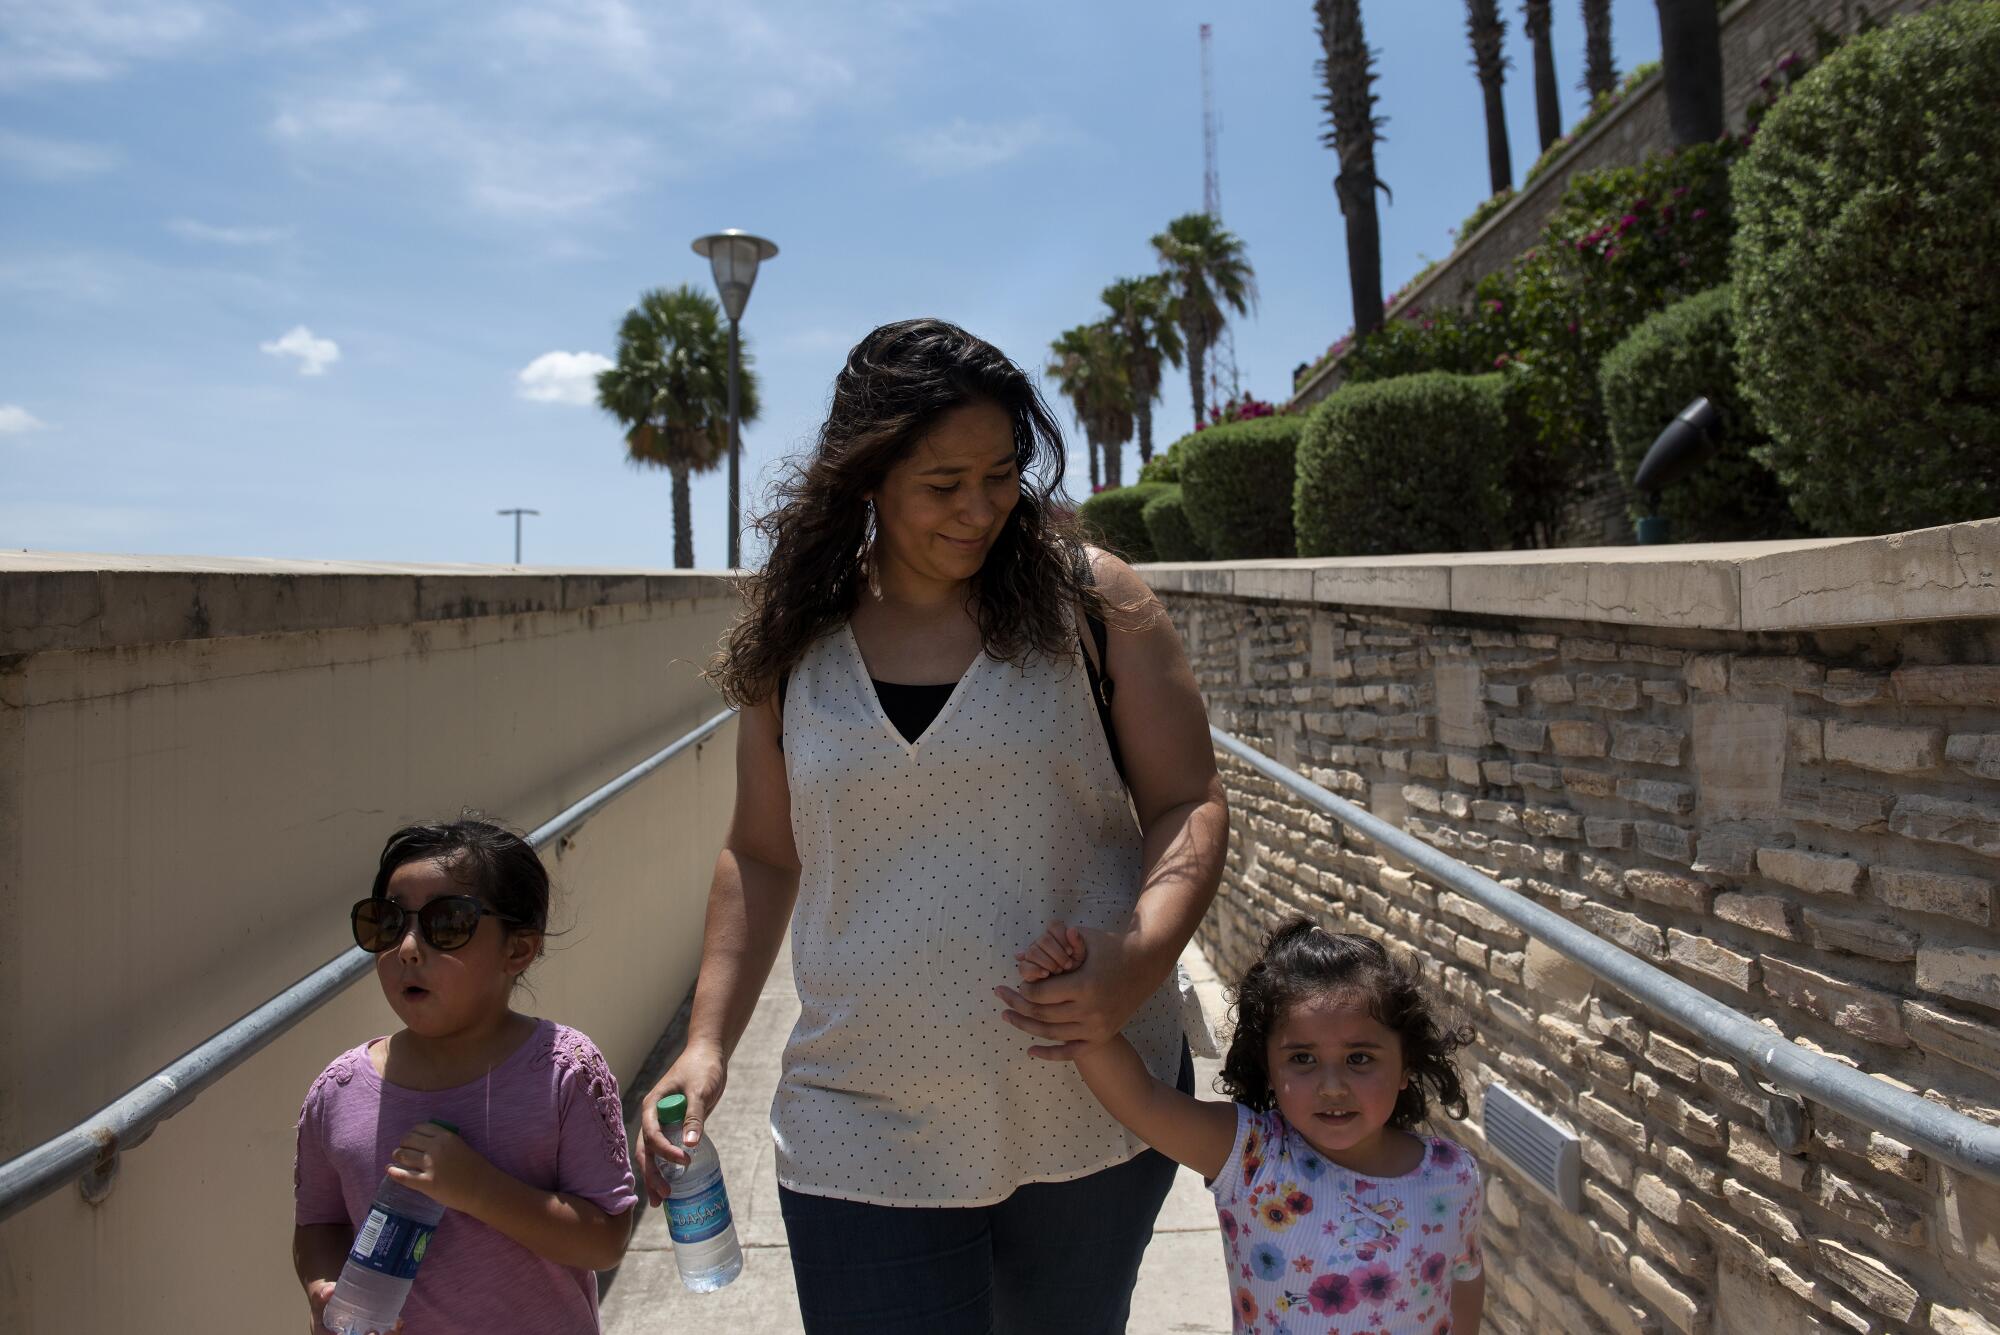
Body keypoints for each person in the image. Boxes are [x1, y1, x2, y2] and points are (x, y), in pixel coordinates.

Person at [638, 318, 1230, 1334]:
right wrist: (704, 1043)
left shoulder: (1088, 600)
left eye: (1000, 475)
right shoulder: (794, 637)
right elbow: (761, 852)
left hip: (1088, 1101)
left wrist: (1137, 957)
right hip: (855, 1118)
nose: (980, 511)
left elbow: (1186, 800)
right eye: (941, 485)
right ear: (864, 477)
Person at [1016, 917, 1486, 1334]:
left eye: (1359, 1058)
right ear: (1269, 1067)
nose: (1332, 1085)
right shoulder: (1252, 1157)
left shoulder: (1453, 1176)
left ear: (1406, 1066)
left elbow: (1464, 1278)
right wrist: (1073, 1000)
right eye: (1302, 1058)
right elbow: (1142, 1100)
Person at [293, 820, 638, 1335]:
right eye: (388, 923)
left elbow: (605, 1238)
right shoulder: (338, 1093)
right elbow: (319, 1223)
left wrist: (477, 1190)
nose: (408, 947)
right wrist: (323, 1288)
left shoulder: (564, 1071)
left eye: (447, 923)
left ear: (517, 950)